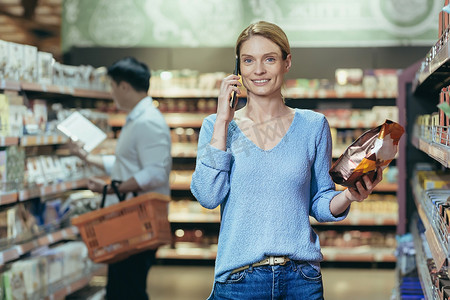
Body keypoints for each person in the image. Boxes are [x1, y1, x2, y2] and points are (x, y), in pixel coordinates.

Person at [190, 21, 383, 300]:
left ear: (286, 62)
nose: (258, 70)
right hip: (238, 280)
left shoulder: (313, 126)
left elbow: (319, 202)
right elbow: (208, 196)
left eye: (269, 59)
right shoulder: (218, 127)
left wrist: (350, 196)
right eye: (248, 61)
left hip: (301, 280)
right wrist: (223, 119)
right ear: (238, 69)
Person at [68, 57, 172, 300]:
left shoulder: (148, 122)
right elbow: (129, 164)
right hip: (130, 220)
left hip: (138, 221)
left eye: (112, 85)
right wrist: (88, 158)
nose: (111, 92)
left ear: (124, 86)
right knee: (122, 288)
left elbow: (155, 172)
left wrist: (114, 189)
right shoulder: (138, 118)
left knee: (127, 290)